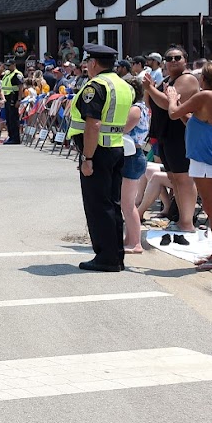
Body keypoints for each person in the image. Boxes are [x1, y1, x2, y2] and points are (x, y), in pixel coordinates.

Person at [68, 44, 136, 272]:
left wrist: (87, 158)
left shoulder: (96, 86)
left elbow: (93, 124)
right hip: (117, 148)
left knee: (98, 206)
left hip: (98, 151)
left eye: (88, 62)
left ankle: (106, 257)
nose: (86, 66)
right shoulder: (124, 85)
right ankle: (116, 255)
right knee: (112, 205)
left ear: (94, 63)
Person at [165, 63, 212, 269]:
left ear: (203, 79)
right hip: (207, 156)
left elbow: (173, 114)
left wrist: (172, 99)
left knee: (211, 207)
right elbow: (191, 122)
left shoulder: (205, 96)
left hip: (205, 158)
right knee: (211, 206)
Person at [143, 45, 199, 238]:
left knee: (184, 178)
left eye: (177, 58)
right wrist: (150, 89)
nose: (173, 61)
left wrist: (150, 88)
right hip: (165, 134)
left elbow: (168, 104)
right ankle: (180, 218)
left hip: (180, 134)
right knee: (174, 179)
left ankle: (187, 222)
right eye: (169, 58)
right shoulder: (167, 80)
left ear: (185, 60)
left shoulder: (188, 79)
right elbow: (151, 102)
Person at [120, 76, 151, 254]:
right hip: (130, 155)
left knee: (128, 204)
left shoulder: (136, 109)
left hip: (133, 156)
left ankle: (135, 243)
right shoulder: (139, 108)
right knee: (126, 203)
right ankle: (129, 239)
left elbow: (122, 128)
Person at [0, 59, 24, 144]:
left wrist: (19, 99)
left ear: (14, 65)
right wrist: (0, 69)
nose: (7, 67)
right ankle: (11, 136)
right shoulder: (7, 74)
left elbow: (20, 87)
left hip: (13, 97)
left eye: (9, 65)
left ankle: (15, 138)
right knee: (9, 118)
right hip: (7, 98)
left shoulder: (17, 74)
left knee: (13, 118)